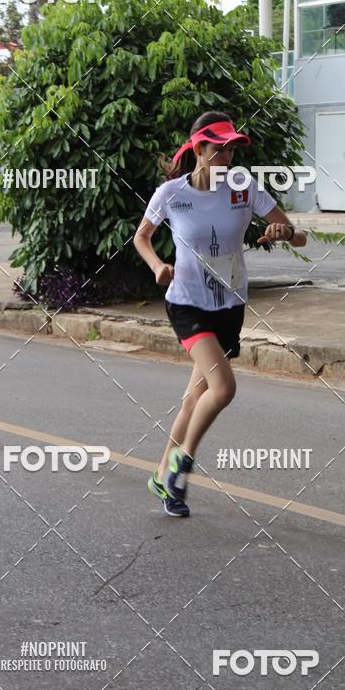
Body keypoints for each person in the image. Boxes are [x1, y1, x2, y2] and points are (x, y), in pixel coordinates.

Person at [133, 110, 307, 517]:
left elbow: (296, 234)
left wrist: (285, 233)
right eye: (220, 147)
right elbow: (142, 237)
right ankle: (182, 464)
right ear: (199, 148)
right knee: (223, 389)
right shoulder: (172, 194)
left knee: (196, 396)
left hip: (229, 304)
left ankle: (160, 476)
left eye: (232, 147)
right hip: (187, 302)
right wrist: (158, 265)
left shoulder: (245, 187)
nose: (228, 154)